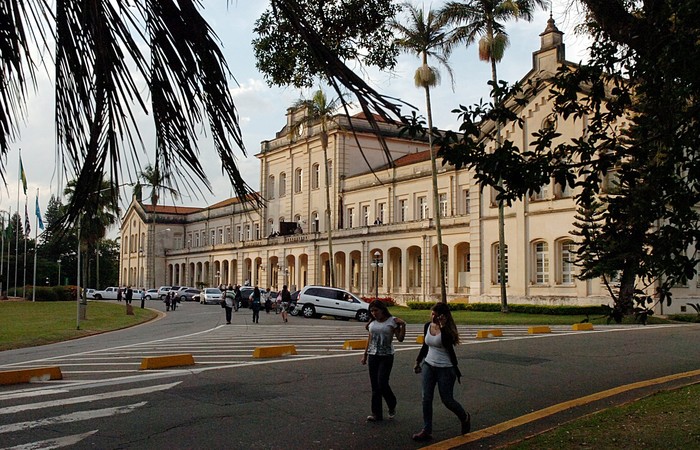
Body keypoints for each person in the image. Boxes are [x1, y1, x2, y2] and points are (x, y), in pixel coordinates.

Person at [412, 302, 470, 442]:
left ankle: (464, 417)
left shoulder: (448, 329)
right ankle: (427, 430)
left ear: (443, 316)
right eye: (432, 314)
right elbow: (425, 346)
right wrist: (418, 361)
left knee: (447, 400)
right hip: (429, 365)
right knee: (426, 398)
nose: (433, 317)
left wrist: (443, 326)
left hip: (445, 368)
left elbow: (447, 343)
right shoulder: (427, 326)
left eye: (436, 315)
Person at [361, 300, 406, 422]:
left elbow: (400, 338)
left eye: (376, 310)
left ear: (382, 310)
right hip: (373, 355)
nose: (374, 313)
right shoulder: (372, 323)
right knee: (375, 386)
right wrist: (365, 355)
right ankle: (376, 414)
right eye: (371, 311)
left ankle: (392, 402)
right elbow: (369, 338)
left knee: (382, 382)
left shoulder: (392, 321)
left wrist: (403, 326)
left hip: (386, 355)